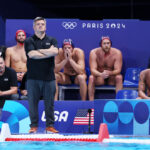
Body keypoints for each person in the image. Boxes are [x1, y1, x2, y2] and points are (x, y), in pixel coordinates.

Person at [24, 17, 59, 133]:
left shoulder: (52, 39)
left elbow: (55, 52)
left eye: (42, 24)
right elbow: (32, 55)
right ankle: (33, 126)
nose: (40, 26)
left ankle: (50, 126)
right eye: (38, 24)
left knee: (50, 104)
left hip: (49, 78)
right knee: (32, 103)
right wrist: (47, 52)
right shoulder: (29, 41)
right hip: (33, 78)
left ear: (45, 26)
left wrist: (39, 51)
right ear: (34, 27)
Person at [88, 36, 123, 101]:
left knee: (119, 77)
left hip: (111, 77)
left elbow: (118, 70)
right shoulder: (94, 53)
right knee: (91, 78)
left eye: (108, 43)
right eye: (104, 44)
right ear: (100, 45)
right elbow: (92, 70)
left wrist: (110, 73)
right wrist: (101, 74)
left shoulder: (117, 53)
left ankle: (119, 102)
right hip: (99, 77)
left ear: (110, 44)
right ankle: (91, 103)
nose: (106, 45)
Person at [0, 55, 19, 120]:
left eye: (1, 63)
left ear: (4, 63)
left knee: (15, 96)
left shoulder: (11, 72)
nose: (0, 66)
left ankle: (13, 113)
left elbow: (15, 90)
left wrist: (2, 93)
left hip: (7, 95)